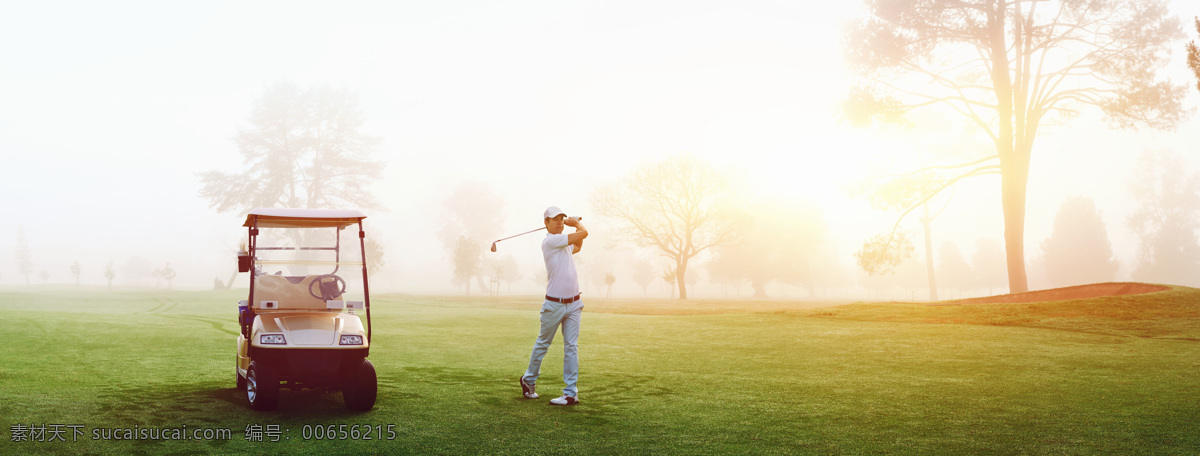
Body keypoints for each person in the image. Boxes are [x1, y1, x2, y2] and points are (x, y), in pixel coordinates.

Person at [520, 206, 588, 405]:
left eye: (561, 218)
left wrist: (575, 229)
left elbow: (579, 244)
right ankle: (529, 380)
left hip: (574, 304)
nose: (559, 222)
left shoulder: (562, 243)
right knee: (543, 343)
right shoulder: (551, 241)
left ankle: (570, 393)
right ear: (546, 223)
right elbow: (584, 233)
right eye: (554, 219)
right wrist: (575, 224)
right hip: (554, 305)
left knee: (571, 347)